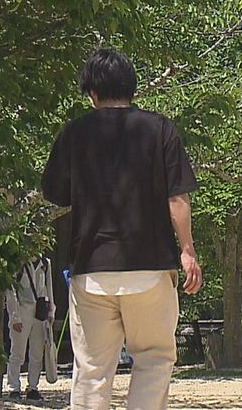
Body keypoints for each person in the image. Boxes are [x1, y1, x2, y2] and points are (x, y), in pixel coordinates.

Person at [41, 48, 202, 410]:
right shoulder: (160, 128)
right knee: (154, 359)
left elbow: (54, 192)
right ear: (132, 87)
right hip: (150, 267)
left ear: (92, 93)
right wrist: (188, 251)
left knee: (92, 370)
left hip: (92, 269)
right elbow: (177, 199)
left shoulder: (75, 133)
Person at [5, 255, 55, 400]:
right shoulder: (17, 262)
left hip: (40, 310)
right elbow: (11, 289)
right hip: (22, 309)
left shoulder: (45, 263)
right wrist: (14, 315)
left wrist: (51, 310)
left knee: (37, 352)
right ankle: (14, 387)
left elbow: (49, 287)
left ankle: (33, 386)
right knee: (18, 351)